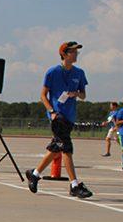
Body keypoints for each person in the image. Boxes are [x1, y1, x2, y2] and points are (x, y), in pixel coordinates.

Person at [26, 41, 93, 199]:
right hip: (58, 116)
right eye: (73, 52)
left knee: (56, 147)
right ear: (64, 54)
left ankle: (34, 174)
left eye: (77, 52)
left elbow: (83, 95)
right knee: (67, 149)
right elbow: (43, 95)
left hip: (70, 117)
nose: (76, 54)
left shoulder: (79, 73)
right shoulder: (52, 72)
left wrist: (75, 93)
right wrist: (52, 111)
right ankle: (75, 185)